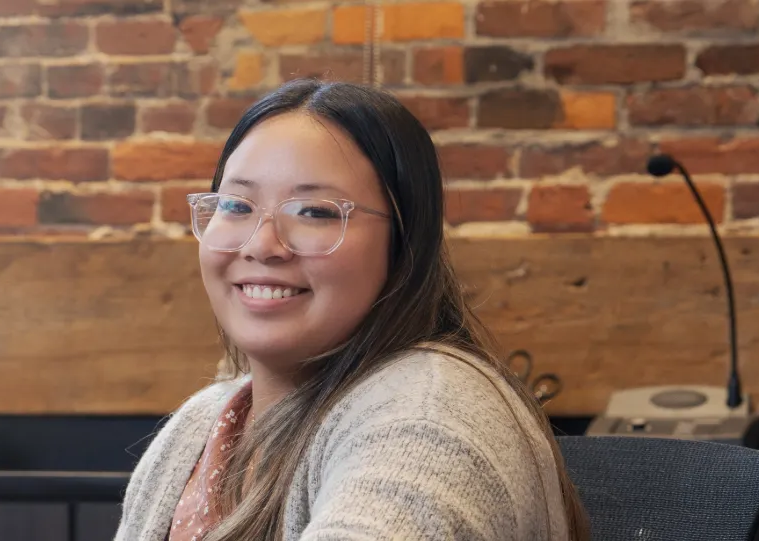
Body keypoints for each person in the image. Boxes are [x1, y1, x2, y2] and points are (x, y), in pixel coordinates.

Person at [114, 79, 589, 541]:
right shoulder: (201, 423)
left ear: (404, 244)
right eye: (236, 205)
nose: (262, 245)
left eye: (315, 212)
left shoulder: (427, 419)